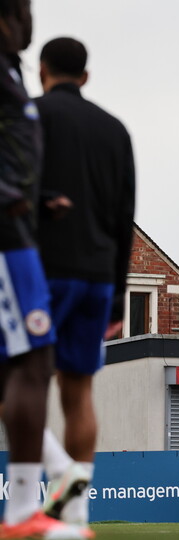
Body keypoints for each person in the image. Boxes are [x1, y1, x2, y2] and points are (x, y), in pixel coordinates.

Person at [32, 36, 136, 536]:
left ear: (41, 71)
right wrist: (118, 293)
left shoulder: (31, 117)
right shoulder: (115, 130)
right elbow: (125, 218)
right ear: (86, 76)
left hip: (42, 270)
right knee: (79, 391)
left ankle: (59, 475)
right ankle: (76, 510)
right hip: (98, 277)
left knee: (22, 379)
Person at [0, 2, 82, 538]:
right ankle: (24, 510)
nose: (30, 21)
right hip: (8, 237)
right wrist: (12, 199)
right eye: (22, 9)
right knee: (33, 361)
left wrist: (39, 195)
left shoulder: (11, 70)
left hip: (18, 228)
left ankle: (55, 474)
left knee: (18, 366)